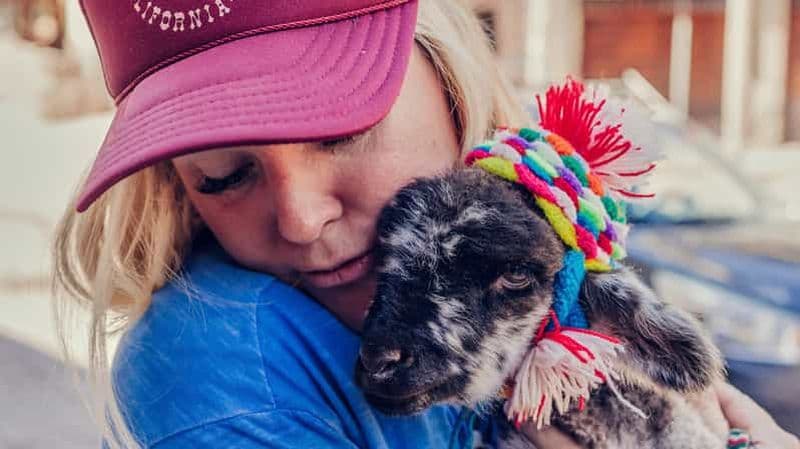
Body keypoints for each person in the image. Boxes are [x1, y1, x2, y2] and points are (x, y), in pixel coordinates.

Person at [52, 1, 799, 448]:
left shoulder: (548, 281)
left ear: (447, 75)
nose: (303, 217)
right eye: (224, 176)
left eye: (340, 128)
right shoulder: (220, 364)